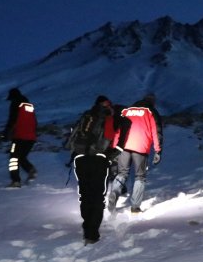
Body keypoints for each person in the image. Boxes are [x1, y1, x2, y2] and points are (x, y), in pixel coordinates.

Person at [66, 95, 122, 244]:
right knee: (97, 196)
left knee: (85, 195)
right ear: (107, 105)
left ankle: (87, 227)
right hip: (98, 159)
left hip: (80, 158)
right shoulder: (108, 117)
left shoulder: (86, 116)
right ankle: (92, 233)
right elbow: (110, 136)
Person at [107, 95, 162, 213]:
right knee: (140, 177)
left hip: (124, 147)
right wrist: (158, 150)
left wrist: (115, 148)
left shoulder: (127, 111)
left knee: (122, 173)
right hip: (140, 148)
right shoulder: (150, 112)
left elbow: (118, 131)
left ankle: (114, 194)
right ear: (152, 103)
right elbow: (156, 132)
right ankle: (135, 207)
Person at [2, 88, 38, 188]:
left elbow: (12, 120)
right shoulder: (29, 106)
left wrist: (5, 134)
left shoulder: (15, 104)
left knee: (13, 159)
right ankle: (31, 170)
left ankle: (15, 181)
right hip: (31, 138)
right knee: (21, 157)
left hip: (19, 137)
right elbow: (35, 123)